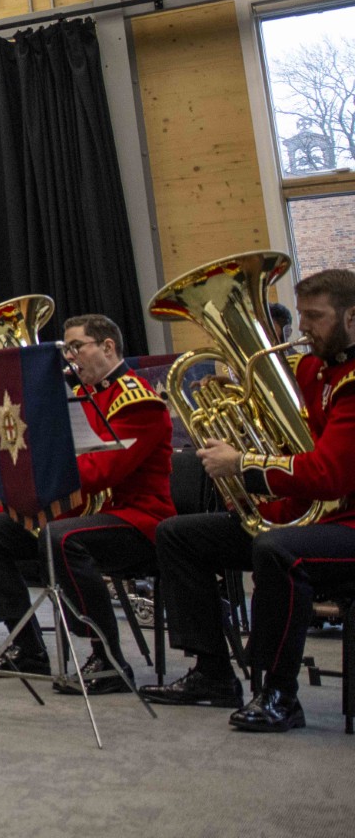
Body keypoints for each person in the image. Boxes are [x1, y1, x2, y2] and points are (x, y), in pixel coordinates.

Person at [142, 269, 355, 732]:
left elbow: (331, 474)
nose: (302, 329)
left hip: (349, 525)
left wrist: (243, 464)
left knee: (277, 551)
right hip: (314, 519)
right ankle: (212, 672)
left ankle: (278, 691)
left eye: (315, 317)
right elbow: (268, 402)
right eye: (301, 316)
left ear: (352, 318)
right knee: (179, 536)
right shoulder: (317, 367)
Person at [0, 314, 172, 692]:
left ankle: (108, 658)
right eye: (67, 349)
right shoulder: (81, 396)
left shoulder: (136, 400)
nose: (70, 358)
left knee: (62, 537)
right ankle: (28, 649)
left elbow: (100, 470)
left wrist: (39, 469)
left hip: (136, 520)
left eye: (76, 347)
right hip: (83, 514)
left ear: (107, 346)